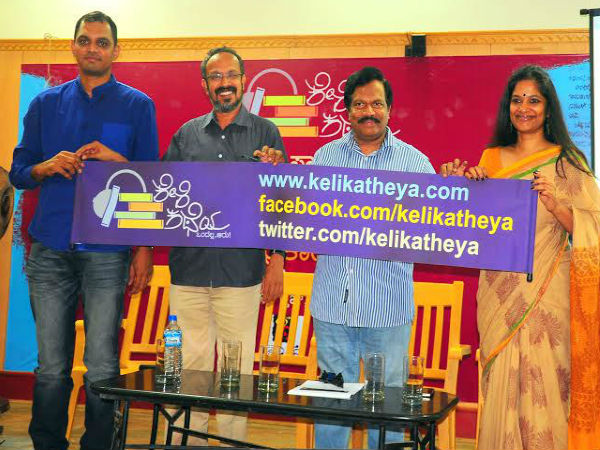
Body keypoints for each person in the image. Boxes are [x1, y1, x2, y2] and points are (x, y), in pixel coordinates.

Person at [9, 11, 158, 450]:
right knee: (51, 367)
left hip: (108, 251)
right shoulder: (45, 104)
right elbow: (19, 172)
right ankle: (47, 444)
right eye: (85, 40)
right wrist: (45, 166)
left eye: (102, 42)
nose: (93, 48)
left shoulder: (138, 105)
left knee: (101, 365)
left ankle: (100, 445)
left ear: (116, 50)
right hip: (50, 249)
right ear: (73, 46)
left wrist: (143, 246)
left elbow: (152, 181)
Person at [440, 65, 600, 450]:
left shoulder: (567, 161)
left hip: (549, 294)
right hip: (499, 295)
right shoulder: (492, 159)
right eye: (517, 100)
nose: (524, 108)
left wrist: (557, 204)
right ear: (507, 107)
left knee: (548, 387)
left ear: (548, 108)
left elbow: (592, 227)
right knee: (503, 387)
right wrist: (460, 189)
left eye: (534, 100)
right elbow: (476, 229)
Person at [162, 46, 286, 444]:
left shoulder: (266, 134)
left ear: (244, 80)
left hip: (240, 273)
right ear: (205, 85)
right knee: (188, 367)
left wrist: (278, 260)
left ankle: (232, 443)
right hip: (189, 272)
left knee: (237, 371)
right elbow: (163, 195)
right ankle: (188, 442)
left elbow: (282, 202)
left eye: (231, 75)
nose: (224, 83)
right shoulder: (186, 135)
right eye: (216, 77)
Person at [310, 66, 435, 449]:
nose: (369, 112)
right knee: (332, 408)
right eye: (360, 104)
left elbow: (434, 230)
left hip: (388, 311)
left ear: (389, 109)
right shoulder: (324, 158)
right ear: (348, 111)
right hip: (333, 308)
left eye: (377, 104)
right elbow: (304, 221)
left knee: (388, 414)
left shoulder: (416, 165)